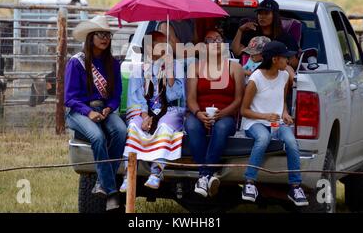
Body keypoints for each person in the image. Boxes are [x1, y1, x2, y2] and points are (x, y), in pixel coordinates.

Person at [64, 15, 127, 211]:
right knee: (98, 137)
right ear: (90, 37)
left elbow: (116, 95)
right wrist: (88, 112)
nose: (105, 38)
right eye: (100, 34)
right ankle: (111, 192)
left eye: (107, 34)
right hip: (78, 111)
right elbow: (69, 98)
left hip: (104, 110)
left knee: (121, 132)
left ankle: (101, 181)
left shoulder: (113, 64)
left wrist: (109, 108)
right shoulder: (76, 63)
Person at [240, 41, 309, 207]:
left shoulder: (284, 76)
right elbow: (244, 110)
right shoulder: (256, 78)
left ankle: (295, 187)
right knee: (263, 138)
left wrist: (284, 112)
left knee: (292, 142)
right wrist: (264, 116)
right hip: (254, 122)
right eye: (285, 57)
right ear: (274, 59)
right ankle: (249, 183)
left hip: (276, 123)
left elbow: (281, 100)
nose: (288, 60)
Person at [120, 31, 186, 191]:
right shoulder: (139, 69)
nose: (166, 47)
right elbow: (136, 97)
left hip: (169, 110)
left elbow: (175, 95)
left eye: (167, 43)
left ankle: (156, 172)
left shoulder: (176, 66)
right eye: (160, 43)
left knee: (164, 126)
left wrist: (169, 74)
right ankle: (129, 173)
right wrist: (144, 116)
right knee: (134, 126)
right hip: (145, 111)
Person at [185, 28, 245, 198]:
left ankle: (204, 175)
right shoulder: (195, 67)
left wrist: (222, 113)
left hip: (226, 115)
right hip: (200, 113)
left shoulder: (235, 67)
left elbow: (239, 99)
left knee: (220, 127)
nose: (216, 42)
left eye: (219, 39)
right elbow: (190, 98)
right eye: (211, 40)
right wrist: (198, 114)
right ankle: (206, 176)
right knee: (191, 125)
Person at [231, 0, 298, 59]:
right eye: (260, 13)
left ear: (275, 16)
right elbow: (236, 53)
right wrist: (240, 30)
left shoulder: (285, 38)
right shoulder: (251, 34)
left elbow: (294, 64)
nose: (262, 17)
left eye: (266, 13)